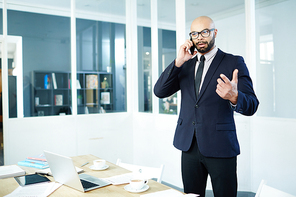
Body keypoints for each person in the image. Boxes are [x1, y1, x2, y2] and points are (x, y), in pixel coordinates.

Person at [154, 16, 259, 197]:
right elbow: (159, 91)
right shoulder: (185, 65)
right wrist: (178, 62)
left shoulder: (233, 62)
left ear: (214, 33)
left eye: (204, 32)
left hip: (221, 146)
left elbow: (252, 105)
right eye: (194, 33)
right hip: (189, 145)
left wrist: (235, 97)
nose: (199, 38)